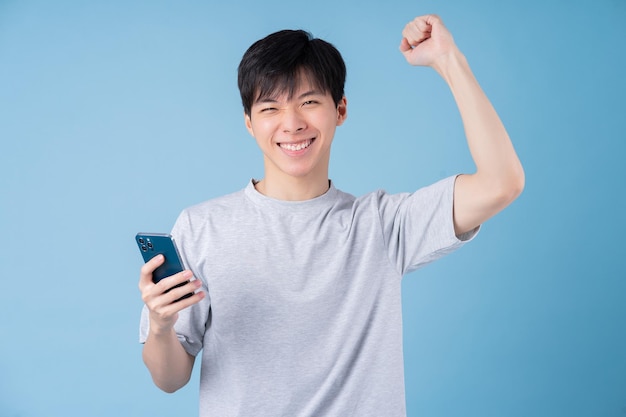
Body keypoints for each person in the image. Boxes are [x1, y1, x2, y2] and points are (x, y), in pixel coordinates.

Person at [138, 14, 524, 417]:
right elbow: (169, 379)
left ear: (340, 109)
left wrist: (449, 59)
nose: (292, 124)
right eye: (270, 107)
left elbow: (502, 182)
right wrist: (161, 325)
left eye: (309, 102)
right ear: (249, 124)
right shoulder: (202, 227)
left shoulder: (382, 225)